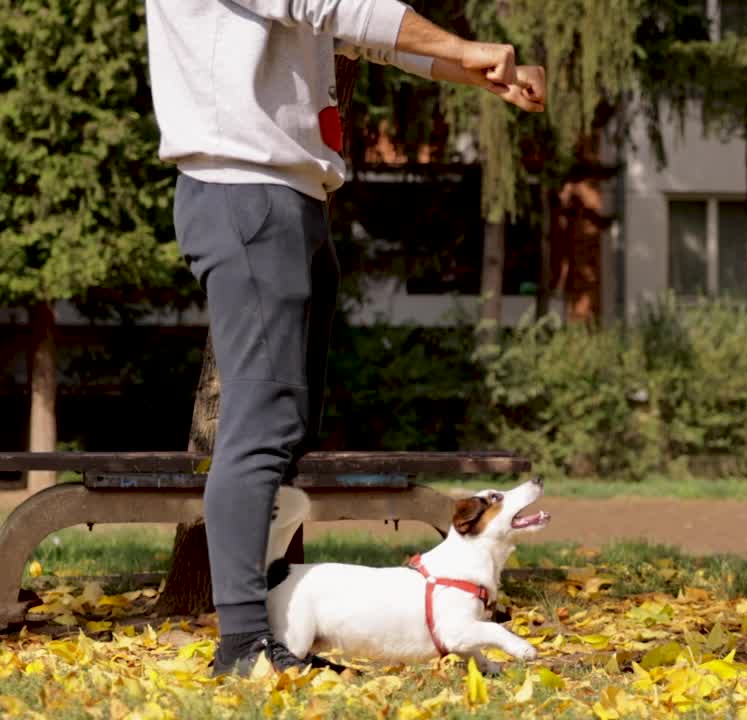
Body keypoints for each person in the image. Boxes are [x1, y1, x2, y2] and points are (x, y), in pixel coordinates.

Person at [143, 0, 546, 676]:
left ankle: (269, 629)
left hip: (290, 193)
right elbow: (332, 2)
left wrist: (473, 67)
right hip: (245, 189)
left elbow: (352, 34)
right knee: (261, 426)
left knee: (290, 426)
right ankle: (242, 646)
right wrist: (463, 48)